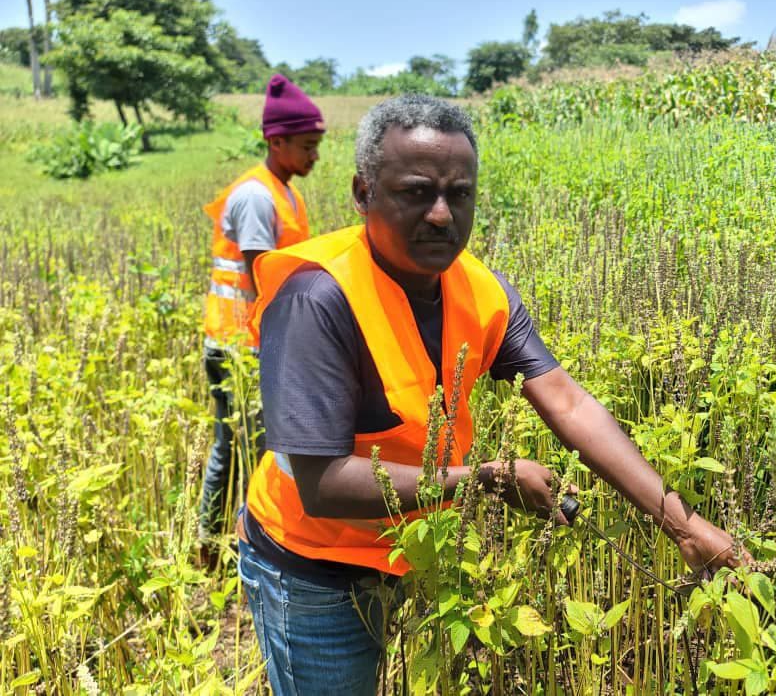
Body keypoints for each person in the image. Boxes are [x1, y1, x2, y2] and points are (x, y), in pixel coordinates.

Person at [237, 95, 749, 694]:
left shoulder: (481, 290)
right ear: (363, 192)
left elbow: (568, 402)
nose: (439, 214)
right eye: (415, 191)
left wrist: (683, 525)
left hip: (410, 550)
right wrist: (484, 479)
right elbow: (320, 485)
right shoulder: (316, 299)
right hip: (312, 570)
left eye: (459, 195)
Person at [198, 74, 325, 554]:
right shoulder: (256, 196)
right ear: (277, 141)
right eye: (308, 145)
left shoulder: (285, 190)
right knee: (243, 449)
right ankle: (223, 544)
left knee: (244, 446)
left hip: (252, 340)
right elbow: (262, 279)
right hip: (238, 343)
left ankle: (223, 543)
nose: (315, 155)